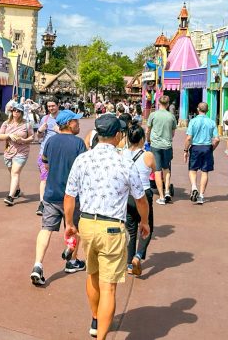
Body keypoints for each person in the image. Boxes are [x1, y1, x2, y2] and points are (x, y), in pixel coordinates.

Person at [64, 113, 149, 340]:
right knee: (109, 286)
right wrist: (145, 221)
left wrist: (70, 224)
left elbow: (70, 196)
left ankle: (95, 317)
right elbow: (140, 198)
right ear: (118, 135)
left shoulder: (83, 159)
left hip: (87, 225)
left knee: (92, 275)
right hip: (112, 227)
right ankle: (101, 336)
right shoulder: (125, 162)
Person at [30, 109, 87, 285]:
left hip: (51, 193)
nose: (78, 124)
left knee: (46, 229)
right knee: (74, 227)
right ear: (69, 123)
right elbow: (84, 171)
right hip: (72, 196)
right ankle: (71, 261)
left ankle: (37, 265)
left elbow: (45, 165)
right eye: (76, 121)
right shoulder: (79, 144)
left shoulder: (50, 142)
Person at [123, 124, 155, 276]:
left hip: (127, 195)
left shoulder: (122, 154)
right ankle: (138, 256)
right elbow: (155, 170)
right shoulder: (147, 155)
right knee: (146, 225)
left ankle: (129, 263)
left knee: (131, 229)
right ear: (142, 138)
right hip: (144, 193)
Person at [0, 101, 34, 206]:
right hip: (9, 151)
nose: (16, 112)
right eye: (14, 110)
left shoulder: (26, 124)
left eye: (19, 111)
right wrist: (9, 135)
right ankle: (17, 190)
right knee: (12, 172)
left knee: (15, 172)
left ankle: (10, 197)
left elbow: (32, 137)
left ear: (22, 113)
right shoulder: (6, 123)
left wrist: (23, 140)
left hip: (22, 152)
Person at [183, 102, 220, 205]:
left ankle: (194, 187)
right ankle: (201, 196)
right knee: (205, 172)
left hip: (195, 147)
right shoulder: (212, 122)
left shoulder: (193, 121)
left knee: (192, 169)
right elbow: (217, 139)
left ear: (197, 109)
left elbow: (189, 138)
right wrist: (212, 148)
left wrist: (185, 150)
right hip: (207, 147)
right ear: (207, 110)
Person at [145, 95, 176, 205]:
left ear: (159, 103)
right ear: (168, 104)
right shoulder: (171, 117)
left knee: (157, 170)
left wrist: (148, 140)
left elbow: (148, 130)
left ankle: (161, 197)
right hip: (167, 145)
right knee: (166, 169)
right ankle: (167, 191)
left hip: (156, 145)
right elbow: (173, 133)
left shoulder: (153, 115)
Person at [35, 97, 59, 215]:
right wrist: (40, 130)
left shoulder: (63, 118)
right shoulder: (45, 118)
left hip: (59, 154)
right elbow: (39, 137)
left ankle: (55, 203)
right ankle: (42, 203)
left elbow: (72, 134)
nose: (51, 108)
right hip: (45, 153)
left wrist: (58, 130)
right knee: (44, 179)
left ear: (58, 105)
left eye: (53, 106)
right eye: (49, 106)